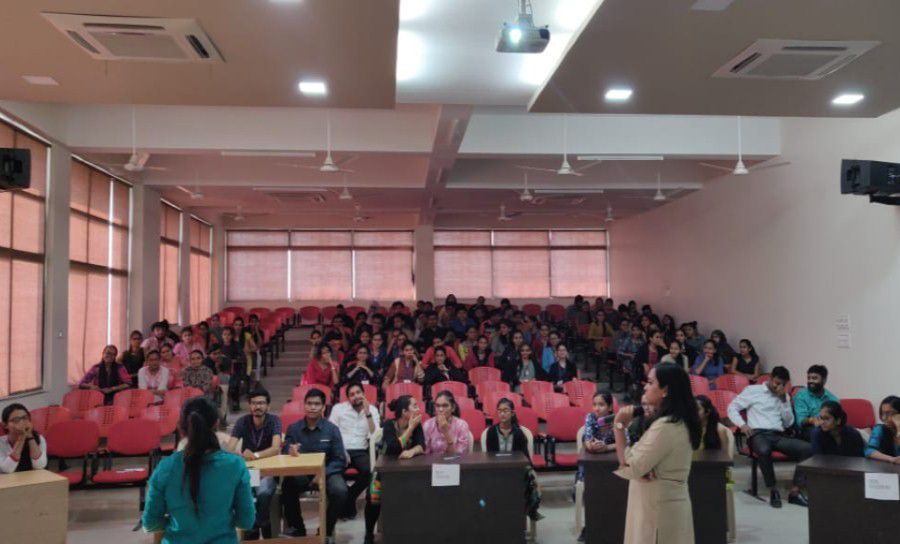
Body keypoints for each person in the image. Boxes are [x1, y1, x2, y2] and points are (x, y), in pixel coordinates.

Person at [142, 397, 255, 542]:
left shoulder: (165, 467)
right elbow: (246, 521)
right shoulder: (236, 465)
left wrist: (174, 523)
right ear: (216, 424)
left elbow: (150, 523)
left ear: (181, 428)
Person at [612, 363, 702, 544]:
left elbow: (630, 466)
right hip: (665, 502)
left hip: (657, 507)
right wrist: (643, 467)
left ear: (665, 390)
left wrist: (619, 425)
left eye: (650, 382)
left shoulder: (665, 426)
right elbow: (641, 460)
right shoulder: (677, 420)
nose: (645, 387)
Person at [727, 366, 811, 508]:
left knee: (808, 449)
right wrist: (743, 425)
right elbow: (732, 408)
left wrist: (784, 401)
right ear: (770, 378)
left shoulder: (784, 396)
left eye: (782, 384)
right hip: (757, 434)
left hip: (777, 435)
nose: (778, 386)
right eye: (776, 382)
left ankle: (795, 491)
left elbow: (788, 423)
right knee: (764, 450)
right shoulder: (753, 391)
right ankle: (773, 489)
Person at [281, 389, 348, 543]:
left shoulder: (332, 429)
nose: (312, 407)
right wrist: (289, 451)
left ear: (323, 407)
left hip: (327, 472)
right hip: (301, 472)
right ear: (304, 405)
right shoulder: (294, 428)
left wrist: (322, 472)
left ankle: (325, 530)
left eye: (317, 404)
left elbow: (339, 459)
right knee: (287, 485)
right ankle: (298, 528)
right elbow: (285, 451)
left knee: (340, 491)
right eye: (309, 403)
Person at [364, 395, 426, 544]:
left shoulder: (418, 425)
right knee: (373, 496)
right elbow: (394, 448)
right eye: (415, 406)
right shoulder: (389, 425)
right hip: (385, 470)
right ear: (404, 411)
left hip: (408, 471)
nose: (418, 409)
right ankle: (369, 534)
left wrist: (411, 451)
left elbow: (422, 446)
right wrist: (410, 428)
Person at [227, 388, 282, 540]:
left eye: (261, 403)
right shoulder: (242, 422)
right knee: (246, 493)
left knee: (263, 492)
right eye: (254, 403)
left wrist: (255, 455)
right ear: (249, 406)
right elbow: (229, 448)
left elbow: (275, 448)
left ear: (268, 406)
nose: (258, 406)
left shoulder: (274, 421)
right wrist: (240, 455)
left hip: (268, 472)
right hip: (249, 472)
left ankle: (257, 525)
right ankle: (260, 526)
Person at [484, 398, 542, 521]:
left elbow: (525, 458)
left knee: (530, 480)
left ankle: (525, 515)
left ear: (512, 413)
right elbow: (490, 457)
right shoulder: (491, 432)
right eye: (499, 411)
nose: (502, 414)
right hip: (496, 471)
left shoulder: (518, 433)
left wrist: (532, 473)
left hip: (516, 472)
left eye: (505, 411)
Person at [329, 383, 380, 519]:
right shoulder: (338, 409)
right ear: (348, 398)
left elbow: (375, 435)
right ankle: (345, 500)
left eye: (358, 392)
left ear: (363, 394)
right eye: (352, 394)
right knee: (334, 473)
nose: (356, 396)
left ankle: (350, 496)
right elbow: (331, 433)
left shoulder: (372, 410)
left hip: (360, 450)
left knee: (370, 471)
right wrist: (341, 451)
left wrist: (368, 413)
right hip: (340, 450)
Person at [695, 395, 736, 543]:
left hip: (717, 473)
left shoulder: (719, 430)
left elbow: (725, 459)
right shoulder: (690, 429)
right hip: (696, 471)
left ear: (707, 412)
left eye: (697, 409)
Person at [793, 364, 839, 440]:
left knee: (847, 431)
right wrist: (811, 420)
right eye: (809, 378)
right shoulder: (801, 394)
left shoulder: (833, 399)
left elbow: (836, 420)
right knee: (819, 432)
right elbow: (801, 421)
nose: (810, 381)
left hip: (828, 427)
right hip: (807, 429)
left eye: (814, 378)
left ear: (824, 380)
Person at [0, 404, 47, 473]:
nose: (22, 422)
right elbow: (7, 470)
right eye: (16, 420)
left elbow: (40, 466)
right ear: (5, 425)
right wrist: (21, 439)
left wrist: (30, 436)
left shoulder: (38, 438)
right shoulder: (1, 443)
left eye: (25, 418)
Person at [865, 396, 900, 463]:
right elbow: (869, 451)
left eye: (889, 413)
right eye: (883, 413)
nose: (884, 418)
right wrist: (892, 459)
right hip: (887, 467)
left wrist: (898, 427)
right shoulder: (879, 429)